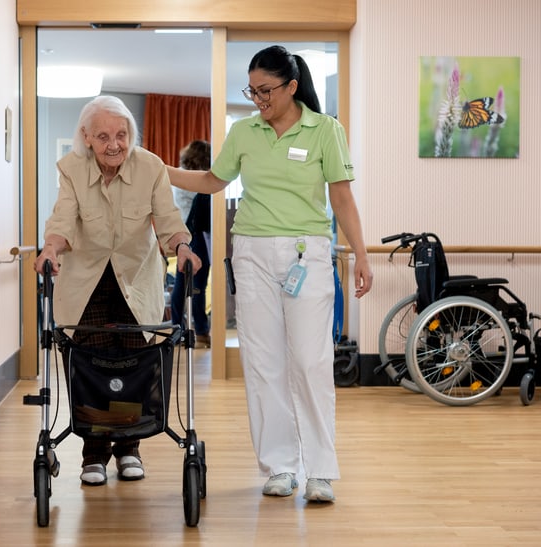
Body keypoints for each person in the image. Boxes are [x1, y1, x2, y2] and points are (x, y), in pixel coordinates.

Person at [167, 45, 373, 503]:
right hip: (253, 253)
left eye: (266, 90)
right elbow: (213, 182)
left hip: (308, 253)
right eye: (252, 90)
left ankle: (319, 469)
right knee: (263, 364)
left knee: (311, 361)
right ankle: (280, 466)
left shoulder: (325, 130)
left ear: (292, 86)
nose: (258, 98)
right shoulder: (244, 132)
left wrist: (361, 254)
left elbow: (341, 198)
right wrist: (160, 170)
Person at [34, 95, 202, 487]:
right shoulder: (72, 169)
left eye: (122, 134)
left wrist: (182, 246)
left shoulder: (151, 168)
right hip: (86, 281)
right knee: (90, 362)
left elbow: (167, 218)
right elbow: (63, 218)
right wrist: (50, 249)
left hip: (135, 279)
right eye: (104, 136)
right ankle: (93, 452)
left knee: (131, 364)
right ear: (86, 138)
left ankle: (129, 447)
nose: (115, 144)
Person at [170, 140, 212, 347]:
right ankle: (202, 331)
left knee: (182, 283)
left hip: (185, 234)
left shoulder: (179, 175)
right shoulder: (200, 181)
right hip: (196, 234)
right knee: (197, 286)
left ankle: (177, 327)